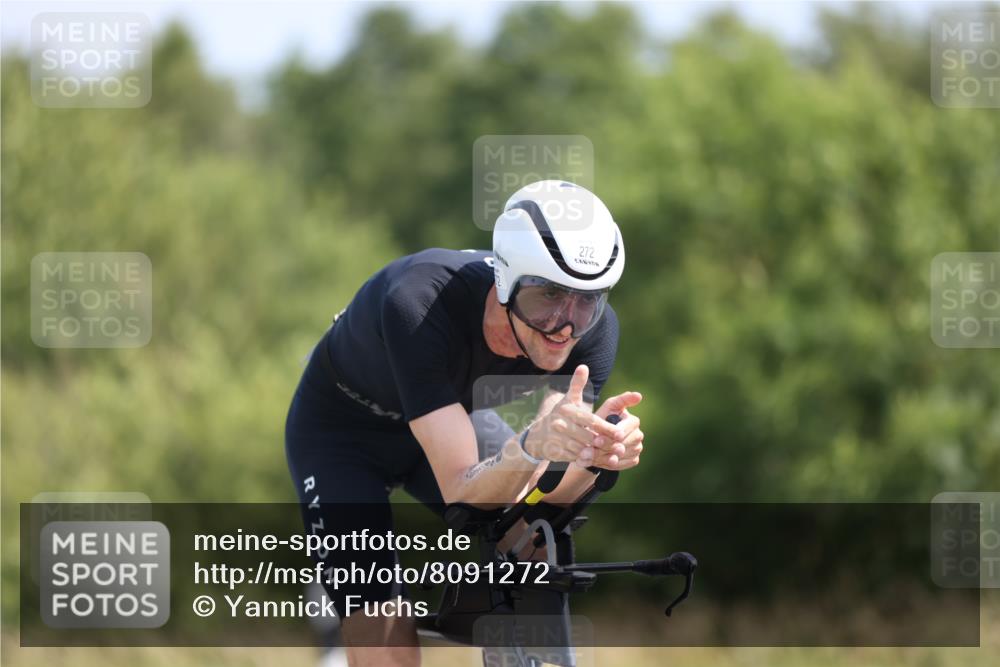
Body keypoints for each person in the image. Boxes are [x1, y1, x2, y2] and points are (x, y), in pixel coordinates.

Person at [284, 180, 646, 667]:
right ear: (505, 283)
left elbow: (547, 491)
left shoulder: (594, 333)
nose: (565, 325)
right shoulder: (417, 299)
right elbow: (463, 488)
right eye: (548, 298)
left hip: (450, 420)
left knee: (534, 535)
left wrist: (600, 460)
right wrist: (532, 446)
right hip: (342, 435)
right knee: (378, 615)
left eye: (587, 299)